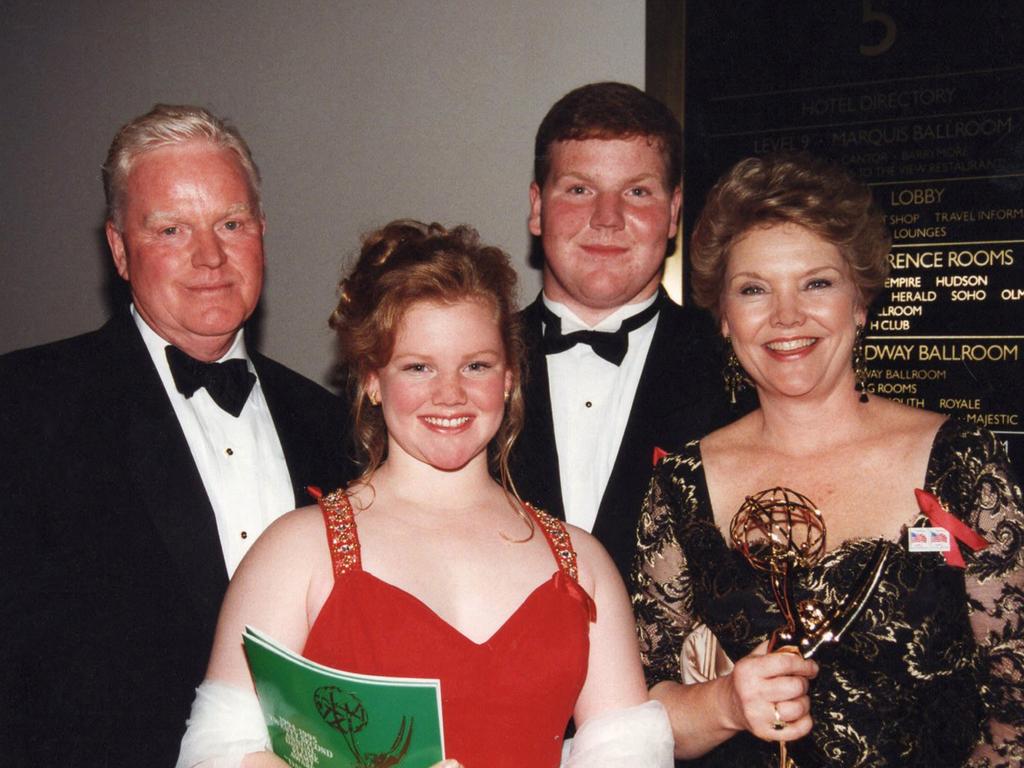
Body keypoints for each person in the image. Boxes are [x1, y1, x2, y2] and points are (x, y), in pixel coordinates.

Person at [176, 220, 674, 768]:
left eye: (476, 366)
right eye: (418, 367)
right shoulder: (297, 550)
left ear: (508, 377)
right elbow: (216, 753)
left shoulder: (582, 564)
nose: (450, 394)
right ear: (371, 377)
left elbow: (631, 756)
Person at [631, 152, 1024, 766]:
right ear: (726, 321)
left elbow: (1015, 710)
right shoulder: (681, 485)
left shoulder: (962, 463)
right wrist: (725, 704)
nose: (787, 316)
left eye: (816, 283)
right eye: (754, 290)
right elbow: (646, 716)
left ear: (861, 302)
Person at [0, 104, 352, 766]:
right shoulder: (23, 408)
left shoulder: (334, 426)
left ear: (263, 233)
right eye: (170, 229)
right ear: (118, 249)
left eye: (231, 223)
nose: (210, 256)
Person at [511, 82, 737, 583]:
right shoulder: (466, 369)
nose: (607, 218)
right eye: (579, 189)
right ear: (537, 207)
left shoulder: (738, 369)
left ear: (674, 212)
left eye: (637, 191)